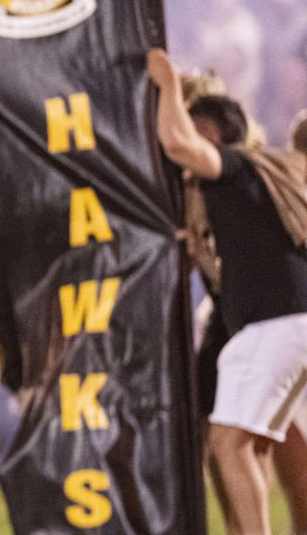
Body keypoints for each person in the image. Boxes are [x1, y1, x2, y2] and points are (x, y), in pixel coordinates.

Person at [148, 48, 307, 535]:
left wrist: (167, 82)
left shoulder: (236, 169)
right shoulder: (264, 179)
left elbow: (178, 143)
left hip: (271, 324)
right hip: (288, 324)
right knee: (252, 445)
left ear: (212, 134)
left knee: (227, 445)